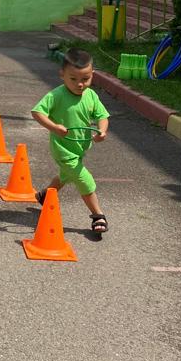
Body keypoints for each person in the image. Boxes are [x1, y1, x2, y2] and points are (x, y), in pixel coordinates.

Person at [31, 47, 110, 235]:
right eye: (73, 79)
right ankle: (98, 216)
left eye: (85, 79)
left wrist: (102, 131)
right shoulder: (56, 95)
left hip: (80, 148)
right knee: (84, 180)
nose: (80, 84)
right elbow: (37, 112)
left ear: (92, 75)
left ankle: (44, 195)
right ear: (62, 75)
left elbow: (103, 116)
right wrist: (54, 127)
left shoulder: (91, 95)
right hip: (63, 150)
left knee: (65, 176)